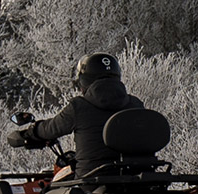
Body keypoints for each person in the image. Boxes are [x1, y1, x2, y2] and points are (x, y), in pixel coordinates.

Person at [8, 53, 145, 177]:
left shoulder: (79, 106)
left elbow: (50, 129)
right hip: (134, 179)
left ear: (84, 80)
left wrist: (30, 132)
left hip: (92, 180)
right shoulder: (136, 104)